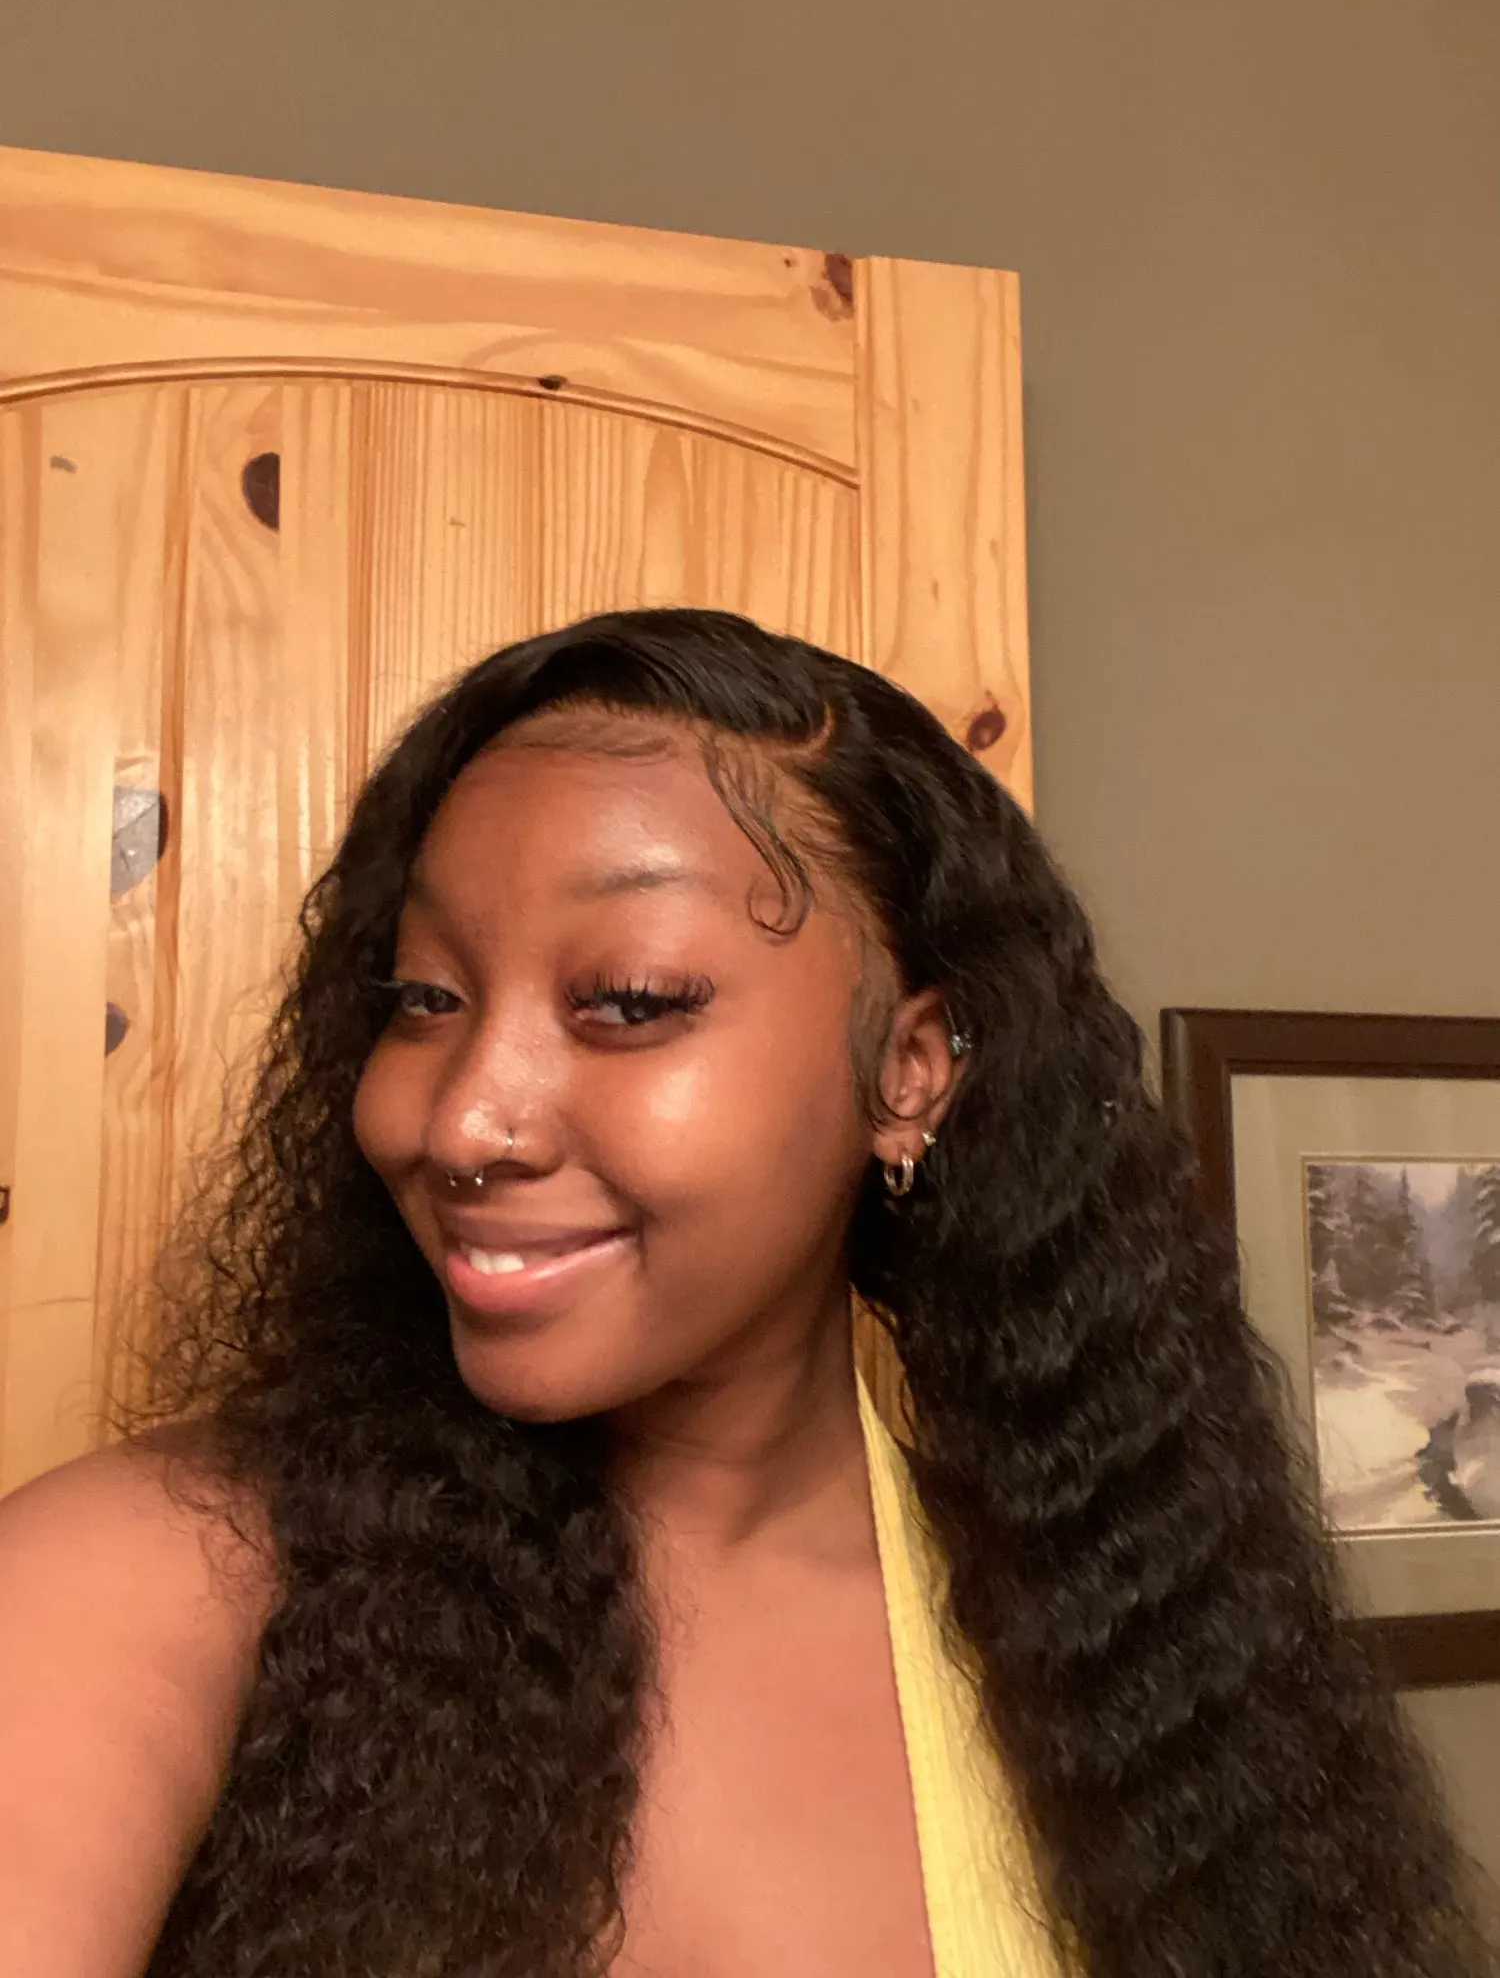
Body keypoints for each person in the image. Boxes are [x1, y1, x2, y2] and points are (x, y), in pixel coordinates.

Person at [0, 608, 1493, 1978]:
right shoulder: (143, 1584)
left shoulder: (1111, 1631)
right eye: (423, 1000)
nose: (461, 1121)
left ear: (908, 1072)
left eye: (629, 1002)